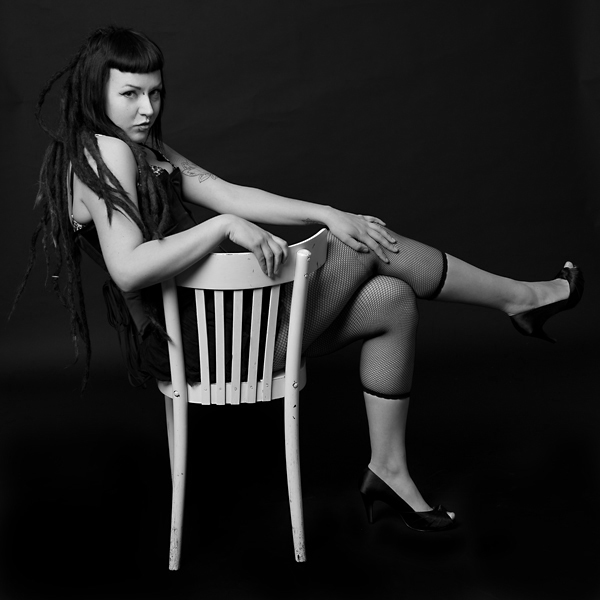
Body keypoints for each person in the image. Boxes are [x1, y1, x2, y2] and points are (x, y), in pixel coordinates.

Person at [17, 26, 583, 533]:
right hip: (202, 343)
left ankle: (389, 473)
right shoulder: (105, 153)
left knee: (391, 299)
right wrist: (223, 229)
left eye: (156, 92)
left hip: (218, 330)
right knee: (362, 246)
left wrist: (326, 212)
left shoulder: (138, 148)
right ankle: (520, 300)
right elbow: (129, 267)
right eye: (131, 94)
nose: (147, 108)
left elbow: (230, 193)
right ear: (96, 93)